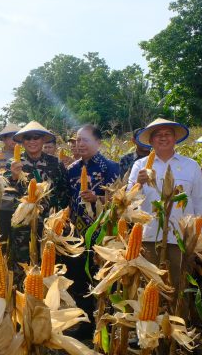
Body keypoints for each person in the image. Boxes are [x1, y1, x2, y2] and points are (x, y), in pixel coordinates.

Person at [127, 118, 202, 285]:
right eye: (158, 135)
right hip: (149, 237)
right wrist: (139, 183)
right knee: (150, 288)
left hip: (181, 239)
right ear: (150, 141)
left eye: (167, 134)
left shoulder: (191, 165)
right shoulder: (139, 166)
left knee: (180, 289)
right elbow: (129, 202)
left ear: (175, 139)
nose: (163, 138)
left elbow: (200, 201)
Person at [65, 124, 120, 341]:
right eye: (78, 140)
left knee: (103, 277)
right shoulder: (72, 169)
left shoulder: (111, 168)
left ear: (98, 142)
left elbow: (120, 200)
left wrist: (97, 199)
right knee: (79, 278)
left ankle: (105, 322)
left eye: (85, 140)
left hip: (102, 232)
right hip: (77, 234)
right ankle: (86, 323)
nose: (80, 144)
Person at [6, 121, 69, 275]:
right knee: (22, 267)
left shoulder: (55, 163)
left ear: (43, 140)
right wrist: (14, 177)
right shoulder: (13, 164)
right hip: (22, 227)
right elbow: (5, 194)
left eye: (36, 137)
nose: (32, 141)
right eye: (27, 138)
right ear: (22, 141)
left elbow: (64, 192)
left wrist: (61, 218)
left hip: (49, 225)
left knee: (49, 267)